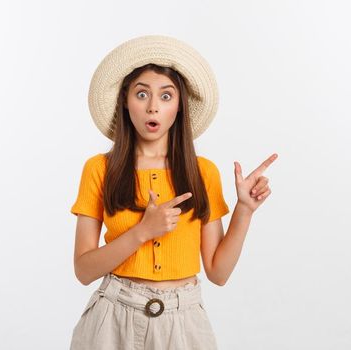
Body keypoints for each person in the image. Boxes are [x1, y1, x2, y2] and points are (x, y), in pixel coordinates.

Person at [69, 35, 277, 350]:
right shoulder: (99, 169)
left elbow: (218, 273)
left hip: (184, 322)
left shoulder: (202, 172)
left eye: (166, 96)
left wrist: (244, 211)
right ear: (126, 100)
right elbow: (84, 271)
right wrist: (142, 232)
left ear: (179, 106)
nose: (153, 107)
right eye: (142, 94)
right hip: (112, 321)